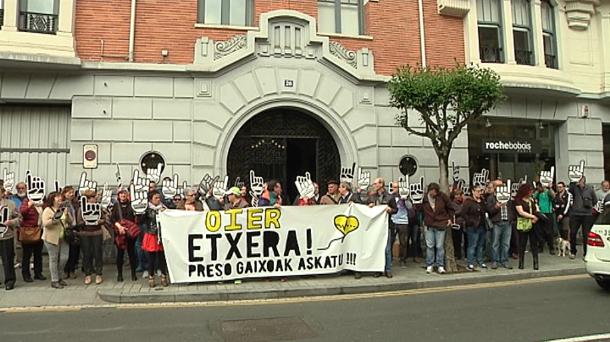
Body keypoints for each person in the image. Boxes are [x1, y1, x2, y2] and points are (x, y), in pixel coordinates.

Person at [364, 178, 397, 278]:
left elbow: (396, 210)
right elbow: (365, 209)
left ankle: (388, 269)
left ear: (381, 184)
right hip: (375, 226)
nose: (374, 185)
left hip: (386, 225)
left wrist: (390, 209)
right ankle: (378, 269)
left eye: (376, 183)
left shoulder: (390, 197)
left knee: (387, 249)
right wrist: (369, 206)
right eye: (374, 183)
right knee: (377, 248)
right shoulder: (372, 197)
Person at [42, 192, 73, 289]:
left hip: (63, 237)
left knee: (64, 257)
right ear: (52, 199)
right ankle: (54, 280)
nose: (60, 199)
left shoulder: (63, 209)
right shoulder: (48, 210)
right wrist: (55, 219)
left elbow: (71, 221)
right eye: (57, 197)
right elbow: (45, 224)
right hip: (51, 238)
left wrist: (67, 215)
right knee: (53, 259)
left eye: (60, 197)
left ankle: (60, 276)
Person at [422, 183, 454, 274]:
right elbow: (419, 209)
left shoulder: (442, 197)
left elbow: (450, 208)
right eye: (432, 192)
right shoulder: (424, 198)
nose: (433, 194)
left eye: (435, 192)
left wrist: (450, 219)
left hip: (440, 223)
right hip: (429, 224)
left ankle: (440, 265)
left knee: (439, 246)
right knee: (430, 246)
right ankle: (430, 265)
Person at [76, 190, 105, 285]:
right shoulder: (82, 209)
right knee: (86, 254)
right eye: (92, 197)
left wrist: (98, 221)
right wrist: (86, 221)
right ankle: (87, 274)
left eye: (94, 197)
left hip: (97, 233)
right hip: (85, 234)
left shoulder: (98, 207)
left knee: (98, 253)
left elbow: (104, 219)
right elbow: (79, 222)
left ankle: (98, 274)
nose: (94, 199)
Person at [141, 191, 169, 287]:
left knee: (162, 258)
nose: (158, 199)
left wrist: (164, 212)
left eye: (159, 197)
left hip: (161, 235)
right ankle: (151, 277)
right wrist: (141, 211)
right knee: (151, 259)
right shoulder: (147, 209)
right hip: (152, 235)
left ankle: (163, 277)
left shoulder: (164, 208)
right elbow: (140, 221)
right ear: (151, 200)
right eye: (156, 198)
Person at [111, 188, 138, 282]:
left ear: (127, 195)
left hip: (130, 233)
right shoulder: (116, 205)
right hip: (120, 233)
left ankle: (133, 274)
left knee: (132, 254)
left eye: (124, 193)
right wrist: (119, 227)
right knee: (120, 254)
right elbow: (112, 219)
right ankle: (120, 274)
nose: (123, 195)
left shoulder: (132, 205)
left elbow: (136, 218)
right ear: (118, 195)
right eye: (121, 194)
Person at [486, 182, 514, 269]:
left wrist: (511, 218)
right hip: (497, 223)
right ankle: (495, 260)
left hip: (507, 222)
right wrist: (496, 207)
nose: (501, 187)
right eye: (498, 186)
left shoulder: (507, 197)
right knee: (495, 243)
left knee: (506, 243)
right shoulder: (491, 198)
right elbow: (489, 211)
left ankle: (504, 260)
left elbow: (511, 209)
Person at [19, 194, 46, 282]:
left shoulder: (41, 202)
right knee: (27, 254)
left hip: (39, 230)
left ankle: (38, 273)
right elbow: (22, 212)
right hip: (29, 231)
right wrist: (29, 206)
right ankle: (26, 274)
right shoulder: (26, 201)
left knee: (38, 253)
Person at [568, 176, 597, 259]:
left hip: (587, 215)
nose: (580, 182)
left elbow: (595, 200)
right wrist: (574, 182)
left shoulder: (590, 189)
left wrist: (590, 206)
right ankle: (573, 251)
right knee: (573, 232)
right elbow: (570, 190)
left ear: (584, 180)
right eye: (579, 180)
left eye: (581, 180)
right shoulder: (575, 188)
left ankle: (586, 253)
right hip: (576, 214)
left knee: (586, 235)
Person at [462, 185, 487, 271]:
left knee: (480, 245)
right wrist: (470, 222)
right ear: (473, 191)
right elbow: (464, 213)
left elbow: (485, 210)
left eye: (481, 191)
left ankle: (480, 261)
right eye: (478, 191)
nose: (479, 193)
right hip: (473, 226)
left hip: (482, 225)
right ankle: (470, 262)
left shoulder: (482, 200)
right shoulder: (468, 201)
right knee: (472, 245)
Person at [514, 184, 539, 270]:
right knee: (522, 244)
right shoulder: (518, 200)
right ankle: (521, 263)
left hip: (533, 224)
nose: (531, 192)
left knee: (534, 244)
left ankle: (536, 262)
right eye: (530, 190)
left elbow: (537, 209)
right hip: (523, 223)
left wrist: (536, 215)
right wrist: (532, 216)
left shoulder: (532, 200)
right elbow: (521, 212)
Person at [0, 186, 21, 290]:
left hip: (6, 236)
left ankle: (10, 280)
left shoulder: (10, 204)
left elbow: (19, 218)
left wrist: (12, 222)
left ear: (2, 193)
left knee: (8, 260)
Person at [390, 182, 411, 267]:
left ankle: (403, 260)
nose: (394, 189)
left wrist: (405, 199)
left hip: (403, 222)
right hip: (393, 221)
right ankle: (390, 259)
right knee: (390, 241)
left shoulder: (405, 196)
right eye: (393, 187)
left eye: (396, 187)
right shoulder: (391, 197)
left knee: (403, 242)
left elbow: (410, 207)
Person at [62, 186, 80, 279]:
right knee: (67, 252)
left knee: (74, 251)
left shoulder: (76, 203)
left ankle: (72, 269)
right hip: (67, 228)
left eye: (72, 192)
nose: (71, 194)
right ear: (64, 194)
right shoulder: (63, 204)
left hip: (75, 228)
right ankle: (66, 270)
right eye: (69, 192)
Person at [533, 181, 556, 254]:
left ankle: (551, 247)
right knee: (539, 231)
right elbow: (533, 197)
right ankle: (541, 246)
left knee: (549, 231)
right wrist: (536, 191)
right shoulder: (538, 193)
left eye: (539, 187)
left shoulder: (548, 192)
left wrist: (550, 188)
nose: (538, 189)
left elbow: (553, 196)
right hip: (540, 213)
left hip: (548, 212)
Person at [450, 189, 466, 260]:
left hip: (464, 223)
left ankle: (465, 255)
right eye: (456, 195)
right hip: (457, 223)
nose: (458, 196)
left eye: (459, 195)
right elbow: (453, 213)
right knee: (457, 240)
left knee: (466, 239)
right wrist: (462, 211)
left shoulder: (464, 202)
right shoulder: (452, 203)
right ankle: (457, 254)